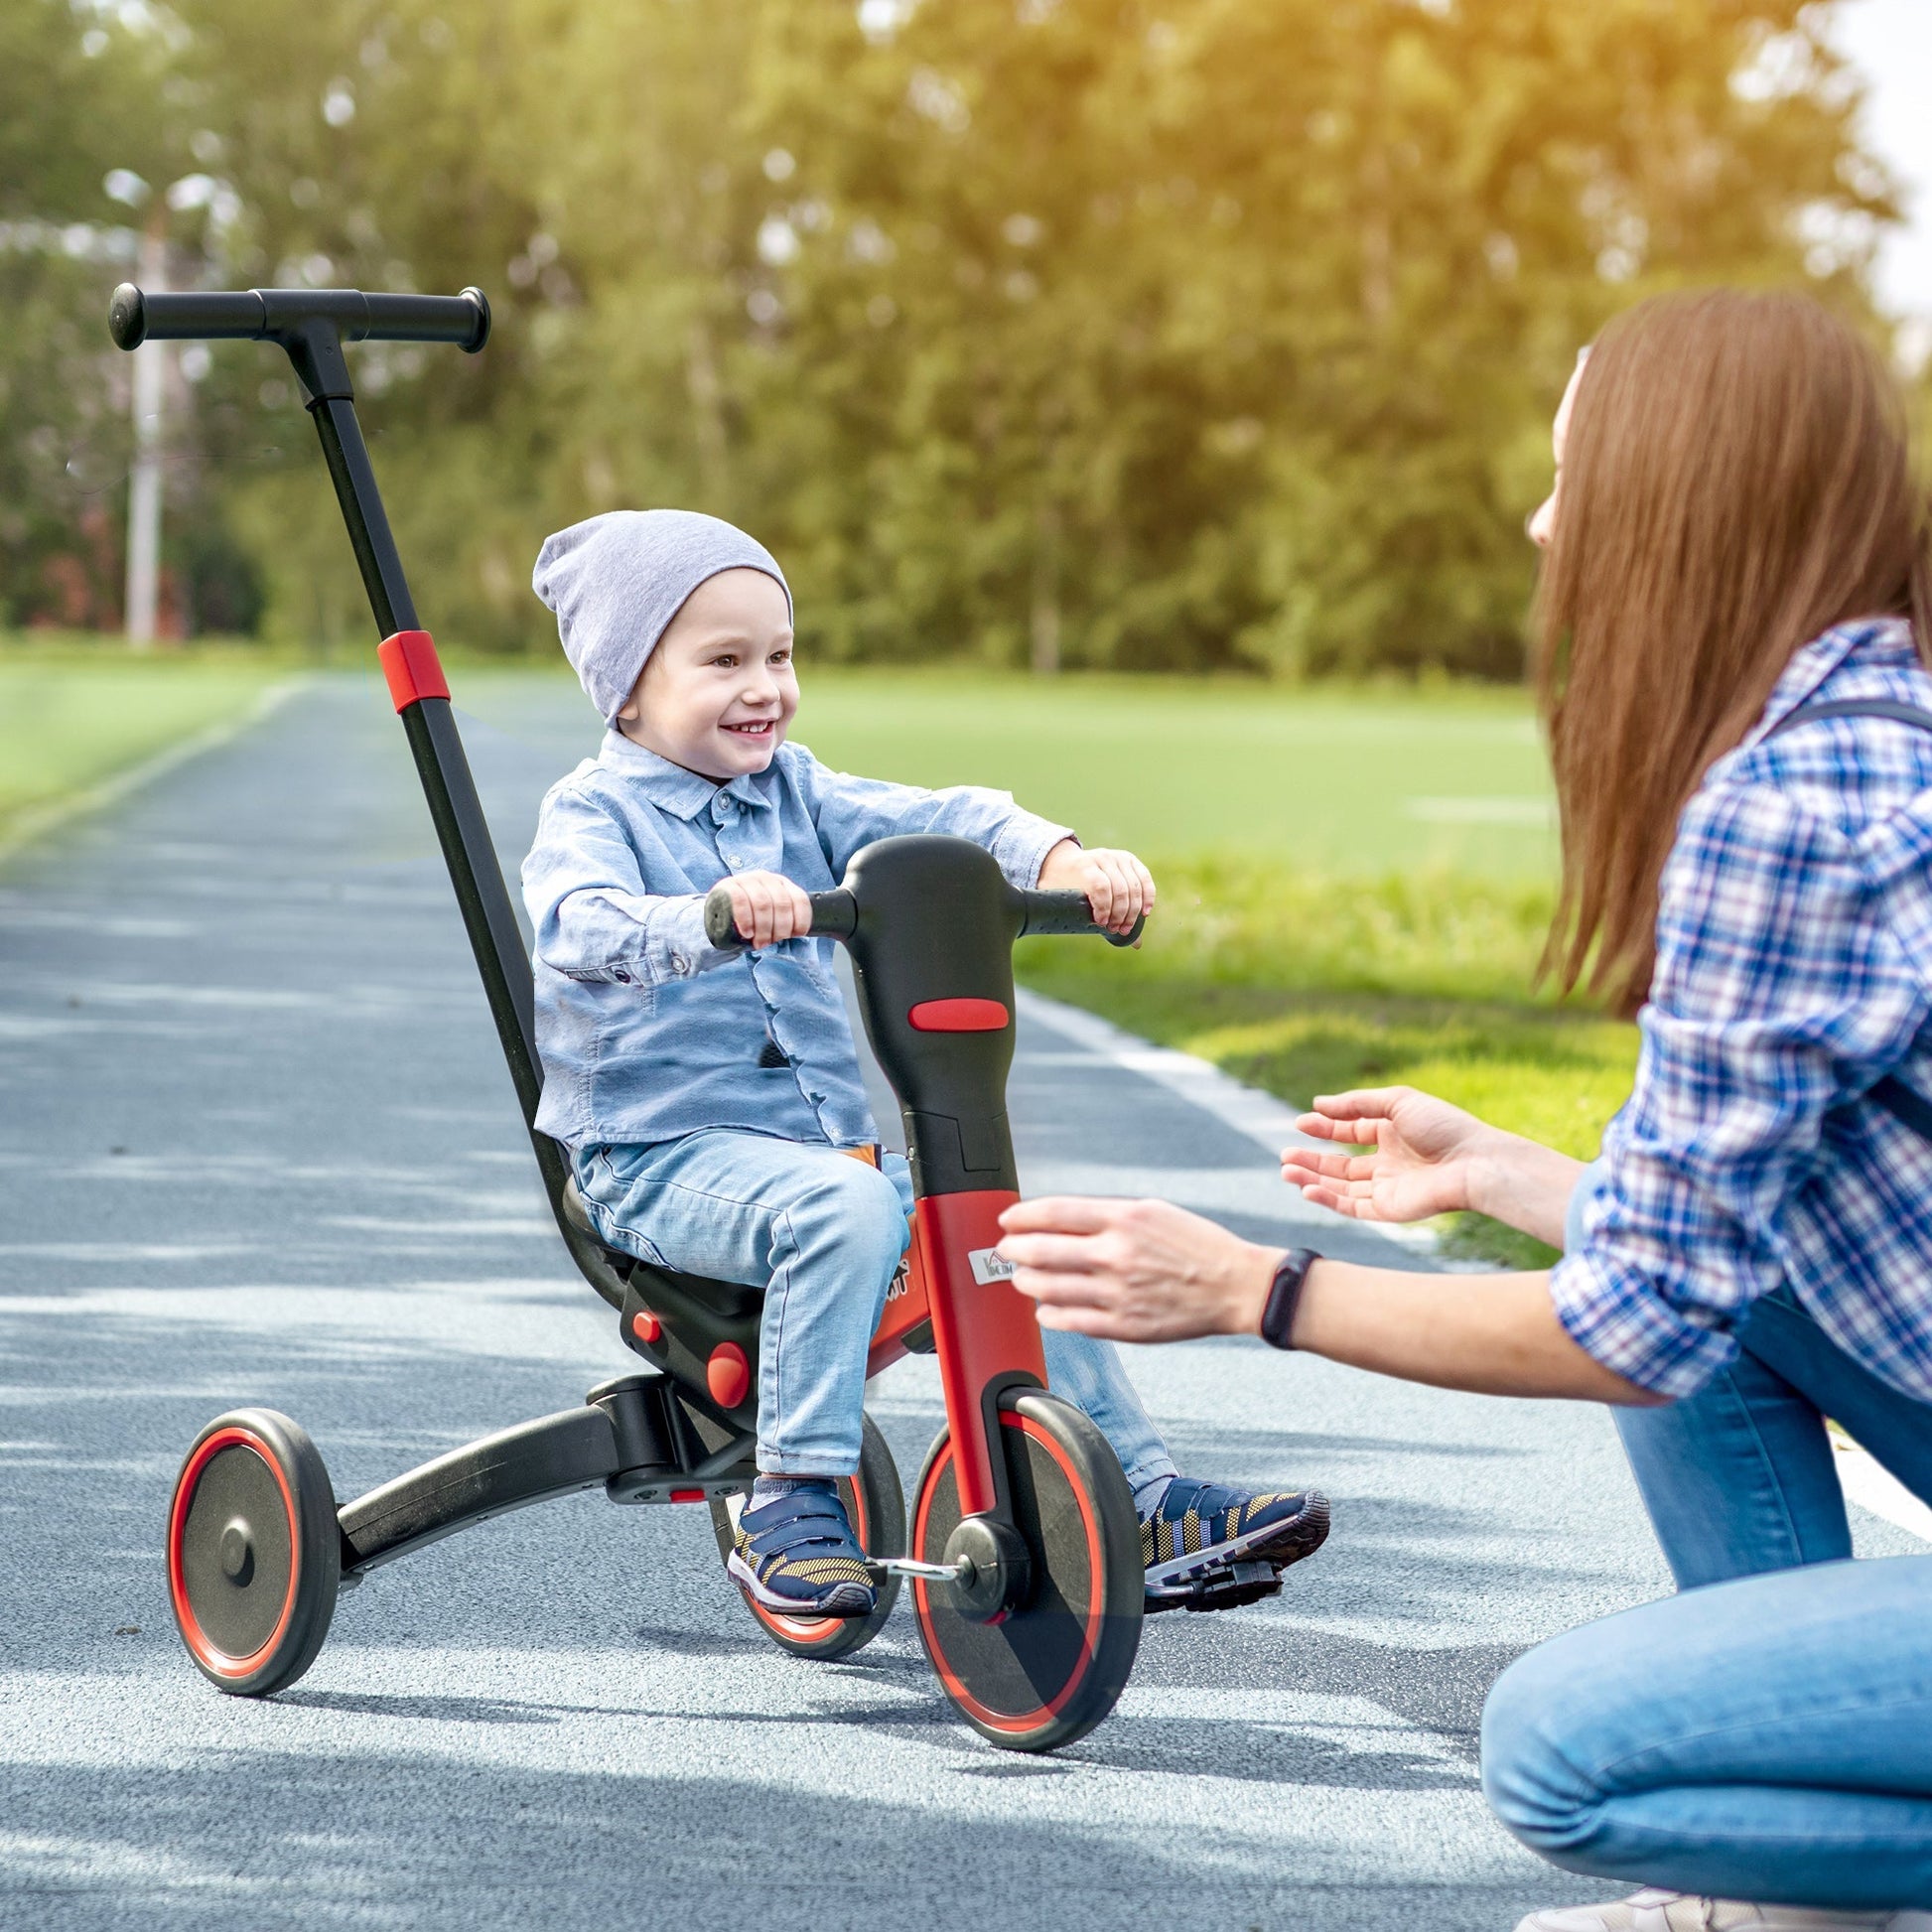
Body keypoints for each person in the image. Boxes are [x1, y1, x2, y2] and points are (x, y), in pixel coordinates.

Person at [993, 291, 1932, 1929]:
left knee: (1565, 1754)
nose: (1540, 522)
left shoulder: (1787, 811)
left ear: (1683, 503)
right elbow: (1720, 1248)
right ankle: (1796, 1903)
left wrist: (1252, 1292)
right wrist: (1510, 1169)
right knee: (1709, 1301)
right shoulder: (1873, 732)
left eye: (1575, 477)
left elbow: (1627, 1327)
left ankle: (1789, 1877)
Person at [520, 507, 1329, 1622]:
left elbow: (938, 818)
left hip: (814, 1163)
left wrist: (1059, 857)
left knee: (1009, 1227)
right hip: (653, 1163)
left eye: (779, 654)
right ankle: (790, 1496)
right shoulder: (592, 813)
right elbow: (577, 922)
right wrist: (702, 917)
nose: (764, 685)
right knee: (846, 1204)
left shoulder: (793, 794)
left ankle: (1134, 1499)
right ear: (626, 691)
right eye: (722, 661)